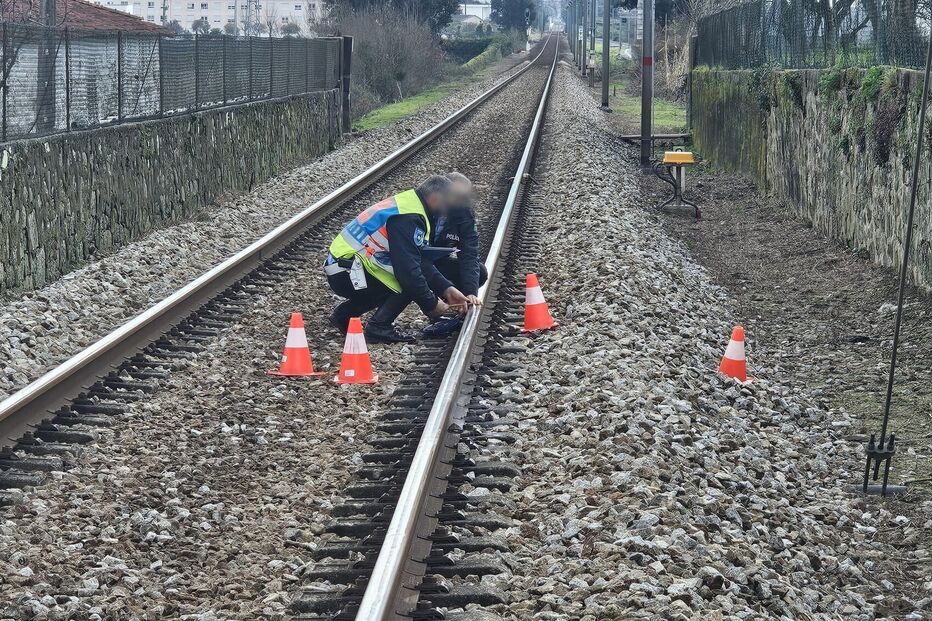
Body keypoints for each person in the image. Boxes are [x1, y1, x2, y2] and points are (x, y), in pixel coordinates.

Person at [324, 175, 470, 343]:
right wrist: (432, 305)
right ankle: (379, 326)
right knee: (409, 279)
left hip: (345, 268)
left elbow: (419, 259)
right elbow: (409, 271)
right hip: (348, 273)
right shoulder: (409, 217)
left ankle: (344, 314)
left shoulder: (409, 204)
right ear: (435, 199)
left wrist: (446, 289)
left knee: (406, 271)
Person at [371, 172, 488, 340]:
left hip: (434, 262)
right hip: (410, 260)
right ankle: (381, 322)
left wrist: (470, 292)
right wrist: (431, 302)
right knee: (412, 272)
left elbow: (469, 253)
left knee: (480, 272)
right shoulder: (422, 208)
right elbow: (409, 261)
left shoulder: (464, 213)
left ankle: (452, 308)